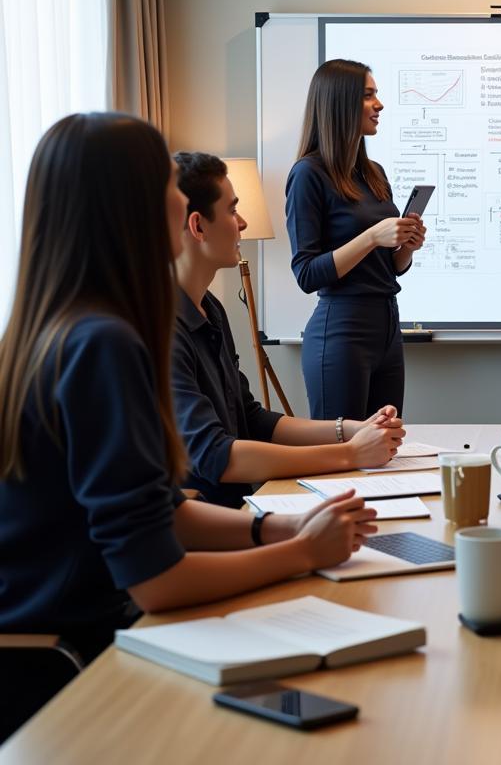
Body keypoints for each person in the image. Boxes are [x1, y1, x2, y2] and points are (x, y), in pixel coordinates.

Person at [0, 114, 377, 667]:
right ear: (137, 209)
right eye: (166, 185)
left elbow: (160, 512)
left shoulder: (52, 326)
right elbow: (154, 578)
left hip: (64, 633)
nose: (180, 200)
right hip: (78, 659)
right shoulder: (104, 342)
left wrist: (283, 527)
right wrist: (299, 552)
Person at [173, 151, 405, 509]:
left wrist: (350, 430)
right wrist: (348, 455)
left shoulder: (211, 310)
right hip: (209, 523)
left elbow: (250, 418)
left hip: (240, 508)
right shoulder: (162, 331)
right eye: (233, 210)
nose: (244, 222)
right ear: (197, 226)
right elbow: (216, 455)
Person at [286, 59, 426, 420]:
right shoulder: (308, 174)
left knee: (385, 449)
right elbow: (306, 273)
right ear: (339, 103)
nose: (379, 104)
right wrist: (372, 237)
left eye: (376, 94)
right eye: (368, 95)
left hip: (387, 326)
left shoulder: (373, 173)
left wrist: (404, 248)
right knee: (340, 460)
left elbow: (390, 269)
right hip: (342, 330)